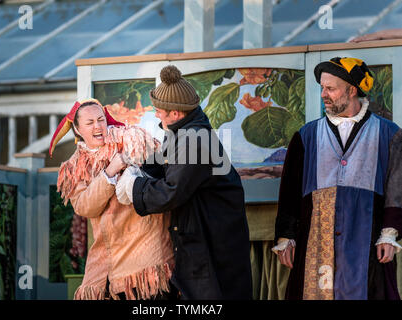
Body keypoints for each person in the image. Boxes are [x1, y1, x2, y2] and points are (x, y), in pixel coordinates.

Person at [115, 65, 253, 300]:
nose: (156, 115)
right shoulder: (183, 131)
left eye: (159, 110)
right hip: (204, 233)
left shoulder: (193, 140)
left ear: (176, 113)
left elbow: (172, 191)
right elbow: (162, 165)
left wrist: (134, 186)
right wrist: (133, 167)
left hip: (214, 240)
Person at [272, 57, 402, 300]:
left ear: (352, 90)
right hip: (315, 238)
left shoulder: (389, 133)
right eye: (322, 88)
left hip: (368, 237)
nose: (323, 94)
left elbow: (397, 187)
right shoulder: (306, 135)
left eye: (330, 88)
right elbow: (289, 191)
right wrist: (285, 235)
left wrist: (390, 232)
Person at [49, 98, 175, 300]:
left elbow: (159, 171)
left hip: (147, 257)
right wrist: (110, 171)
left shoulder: (130, 140)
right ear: (78, 129)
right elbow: (84, 206)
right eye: (89, 123)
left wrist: (132, 160)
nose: (98, 126)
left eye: (100, 120)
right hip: (108, 260)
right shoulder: (75, 166)